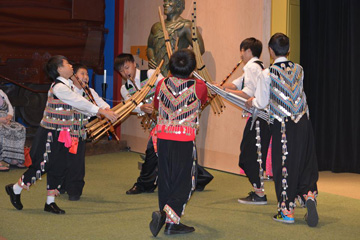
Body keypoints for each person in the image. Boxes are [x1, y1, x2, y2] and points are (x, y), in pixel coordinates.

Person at [5, 55, 118, 214]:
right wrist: (99, 111)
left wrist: (101, 111)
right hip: (50, 133)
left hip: (63, 133)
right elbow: (78, 102)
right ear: (59, 69)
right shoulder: (59, 87)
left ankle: (50, 202)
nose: (71, 66)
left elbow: (80, 106)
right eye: (67, 63)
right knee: (42, 165)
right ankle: (16, 189)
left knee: (59, 166)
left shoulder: (70, 86)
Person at [247, 33, 319, 227]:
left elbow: (261, 102)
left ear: (270, 51)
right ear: (289, 50)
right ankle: (308, 195)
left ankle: (286, 211)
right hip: (304, 122)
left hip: (283, 124)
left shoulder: (267, 73)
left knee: (284, 165)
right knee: (304, 162)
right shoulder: (299, 69)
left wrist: (251, 101)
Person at [115, 53, 213, 195]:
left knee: (154, 151)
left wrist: (156, 106)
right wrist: (141, 108)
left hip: (170, 119)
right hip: (157, 122)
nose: (125, 72)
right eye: (122, 71)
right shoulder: (124, 89)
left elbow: (167, 87)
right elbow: (130, 106)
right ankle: (200, 178)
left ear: (134, 63)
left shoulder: (150, 74)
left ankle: (145, 184)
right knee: (164, 152)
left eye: (127, 67)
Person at [149, 49, 207, 237]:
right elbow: (202, 102)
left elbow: (157, 107)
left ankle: (168, 219)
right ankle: (169, 218)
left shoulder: (162, 84)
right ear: (192, 68)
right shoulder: (199, 86)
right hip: (184, 138)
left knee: (166, 177)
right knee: (186, 180)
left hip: (163, 137)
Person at [221, 38, 271, 205]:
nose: (241, 55)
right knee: (254, 155)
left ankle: (259, 193)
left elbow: (247, 92)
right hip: (260, 118)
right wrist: (218, 86)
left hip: (259, 117)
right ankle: (259, 192)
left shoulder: (251, 67)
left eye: (242, 51)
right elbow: (236, 85)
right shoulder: (257, 66)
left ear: (248, 50)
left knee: (248, 156)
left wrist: (225, 92)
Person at [60, 63, 111, 201]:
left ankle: (74, 190)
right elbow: (81, 105)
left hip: (79, 131)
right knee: (63, 159)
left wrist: (107, 111)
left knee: (77, 161)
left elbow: (102, 104)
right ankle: (61, 185)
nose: (86, 77)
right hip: (65, 131)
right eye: (82, 73)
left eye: (87, 74)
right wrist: (96, 111)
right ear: (73, 76)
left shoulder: (90, 91)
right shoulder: (67, 90)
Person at [147, 0, 205, 76]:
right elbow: (150, 47)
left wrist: (182, 62)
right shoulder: (156, 27)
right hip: (157, 73)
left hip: (176, 74)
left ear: (179, 4)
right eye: (165, 1)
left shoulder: (186, 26)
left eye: (170, 1)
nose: (165, 4)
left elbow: (200, 49)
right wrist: (152, 59)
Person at [0, 89, 26, 171]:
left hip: (5, 119)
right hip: (1, 120)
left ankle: (14, 159)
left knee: (20, 129)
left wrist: (9, 117)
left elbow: (10, 108)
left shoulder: (1, 92)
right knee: (2, 129)